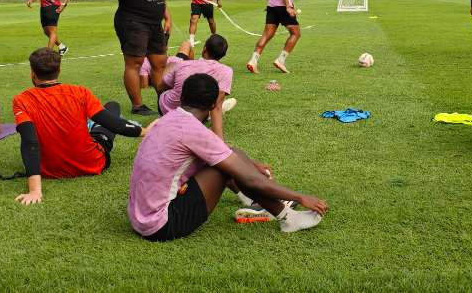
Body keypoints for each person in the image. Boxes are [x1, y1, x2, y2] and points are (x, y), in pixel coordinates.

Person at [128, 74, 327, 241]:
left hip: (139, 217)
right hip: (162, 224)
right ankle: (288, 218)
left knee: (232, 157)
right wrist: (300, 197)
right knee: (227, 166)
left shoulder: (170, 118)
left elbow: (221, 149)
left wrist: (250, 163)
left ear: (182, 97)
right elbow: (250, 178)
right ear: (215, 103)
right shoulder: (193, 129)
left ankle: (254, 202)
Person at [12, 47, 146, 205]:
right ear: (59, 70)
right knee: (112, 107)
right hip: (92, 163)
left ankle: (90, 127)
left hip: (50, 171)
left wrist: (35, 190)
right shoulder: (79, 92)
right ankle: (92, 128)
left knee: (105, 114)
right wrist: (145, 132)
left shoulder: (21, 100)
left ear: (32, 73)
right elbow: (114, 125)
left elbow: (30, 141)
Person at [94, 0, 173, 116]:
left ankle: (164, 102)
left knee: (160, 62)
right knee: (135, 63)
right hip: (132, 20)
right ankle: (138, 105)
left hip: (155, 21)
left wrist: (167, 16)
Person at [156, 34, 233, 137]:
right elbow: (216, 107)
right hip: (197, 115)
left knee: (182, 49)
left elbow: (161, 87)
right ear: (223, 54)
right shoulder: (226, 71)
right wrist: (220, 140)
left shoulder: (182, 65)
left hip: (167, 109)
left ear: (204, 49)